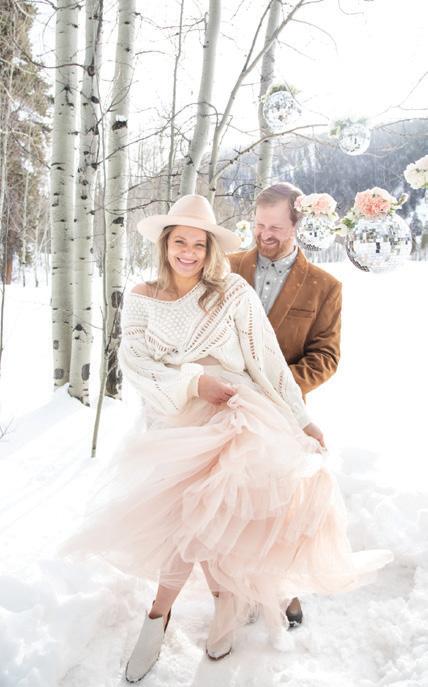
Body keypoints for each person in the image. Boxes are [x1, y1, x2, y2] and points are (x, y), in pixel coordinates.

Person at [59, 194, 392, 683]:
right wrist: (194, 383)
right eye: (180, 242)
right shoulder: (141, 296)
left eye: (199, 244)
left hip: (234, 413)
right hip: (173, 419)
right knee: (183, 518)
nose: (189, 252)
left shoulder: (232, 291)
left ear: (211, 248)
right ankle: (192, 608)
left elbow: (267, 361)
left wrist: (300, 419)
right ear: (165, 244)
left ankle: (177, 611)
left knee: (211, 515)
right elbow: (136, 363)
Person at [229, 182, 342, 625]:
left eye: (275, 227)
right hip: (229, 407)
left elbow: (326, 355)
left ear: (297, 224)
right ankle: (237, 588)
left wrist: (278, 389)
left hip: (283, 415)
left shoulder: (325, 287)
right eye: (259, 225)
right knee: (234, 504)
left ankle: (282, 587)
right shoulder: (227, 267)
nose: (264, 234)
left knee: (281, 506)